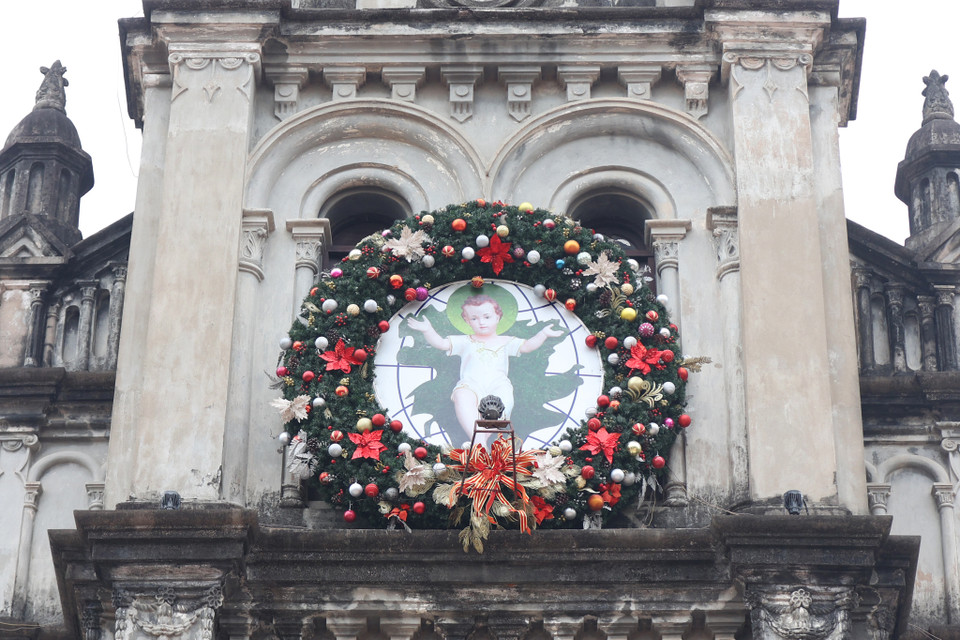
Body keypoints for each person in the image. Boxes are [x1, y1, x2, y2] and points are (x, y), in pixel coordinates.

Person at [407, 295, 563, 445]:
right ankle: (479, 443)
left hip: (498, 386)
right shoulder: (465, 341)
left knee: (500, 407)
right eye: (474, 318)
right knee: (462, 397)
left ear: (497, 317)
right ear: (467, 321)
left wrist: (543, 334)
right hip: (470, 384)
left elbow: (527, 346)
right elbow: (441, 344)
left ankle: (478, 444)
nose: (481, 322)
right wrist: (427, 330)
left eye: (487, 317)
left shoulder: (505, 341)